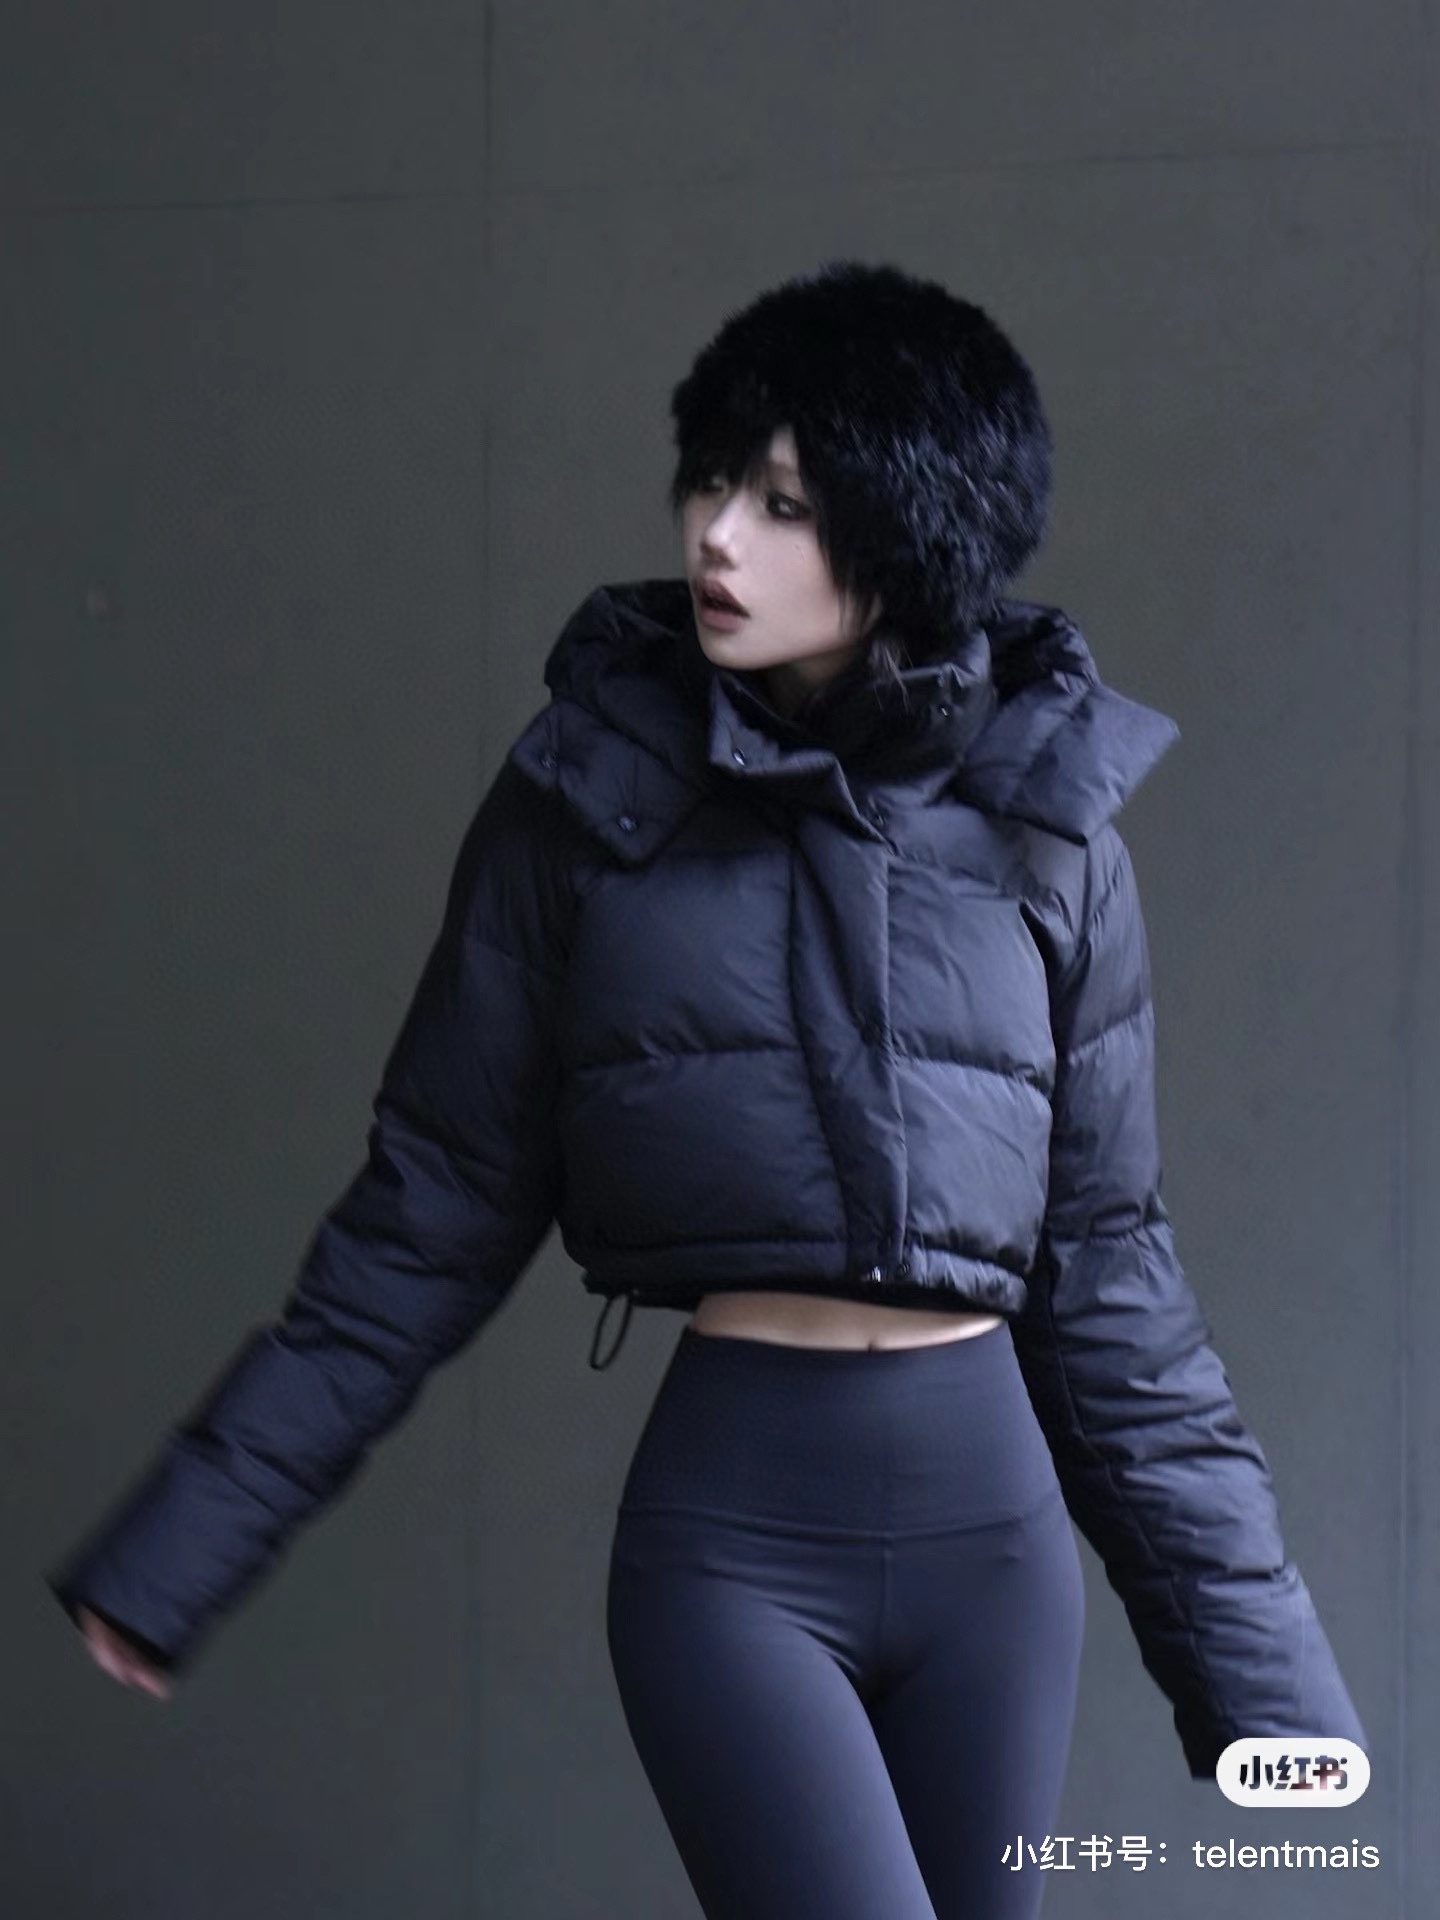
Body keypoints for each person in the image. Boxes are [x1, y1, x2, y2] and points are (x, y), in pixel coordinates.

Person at [47, 260, 1366, 1918]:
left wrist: (1275, 1706)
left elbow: (1112, 1281)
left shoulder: (1048, 826)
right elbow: (427, 1212)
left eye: (785, 504)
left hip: (995, 1555)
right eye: (713, 481)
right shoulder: (586, 800)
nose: (718, 536)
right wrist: (194, 1532)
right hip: (739, 1547)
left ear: (911, 533)